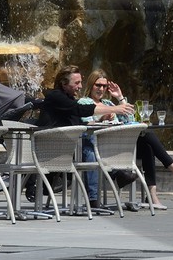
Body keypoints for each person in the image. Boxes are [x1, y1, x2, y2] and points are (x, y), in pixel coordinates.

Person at [93, 75, 173, 209]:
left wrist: (119, 97)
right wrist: (103, 118)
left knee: (148, 145)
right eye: (98, 85)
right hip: (102, 149)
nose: (101, 89)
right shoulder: (85, 103)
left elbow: (129, 118)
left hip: (120, 146)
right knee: (147, 134)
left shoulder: (108, 103)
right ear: (91, 84)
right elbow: (85, 122)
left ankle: (153, 196)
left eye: (104, 86)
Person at [39, 65, 133, 204]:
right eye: (76, 83)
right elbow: (79, 110)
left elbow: (79, 122)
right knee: (89, 147)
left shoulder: (68, 99)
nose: (79, 86)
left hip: (68, 147)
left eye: (81, 82)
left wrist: (104, 117)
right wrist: (115, 109)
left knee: (89, 145)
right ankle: (98, 193)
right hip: (52, 150)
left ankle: (110, 181)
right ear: (64, 83)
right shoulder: (56, 96)